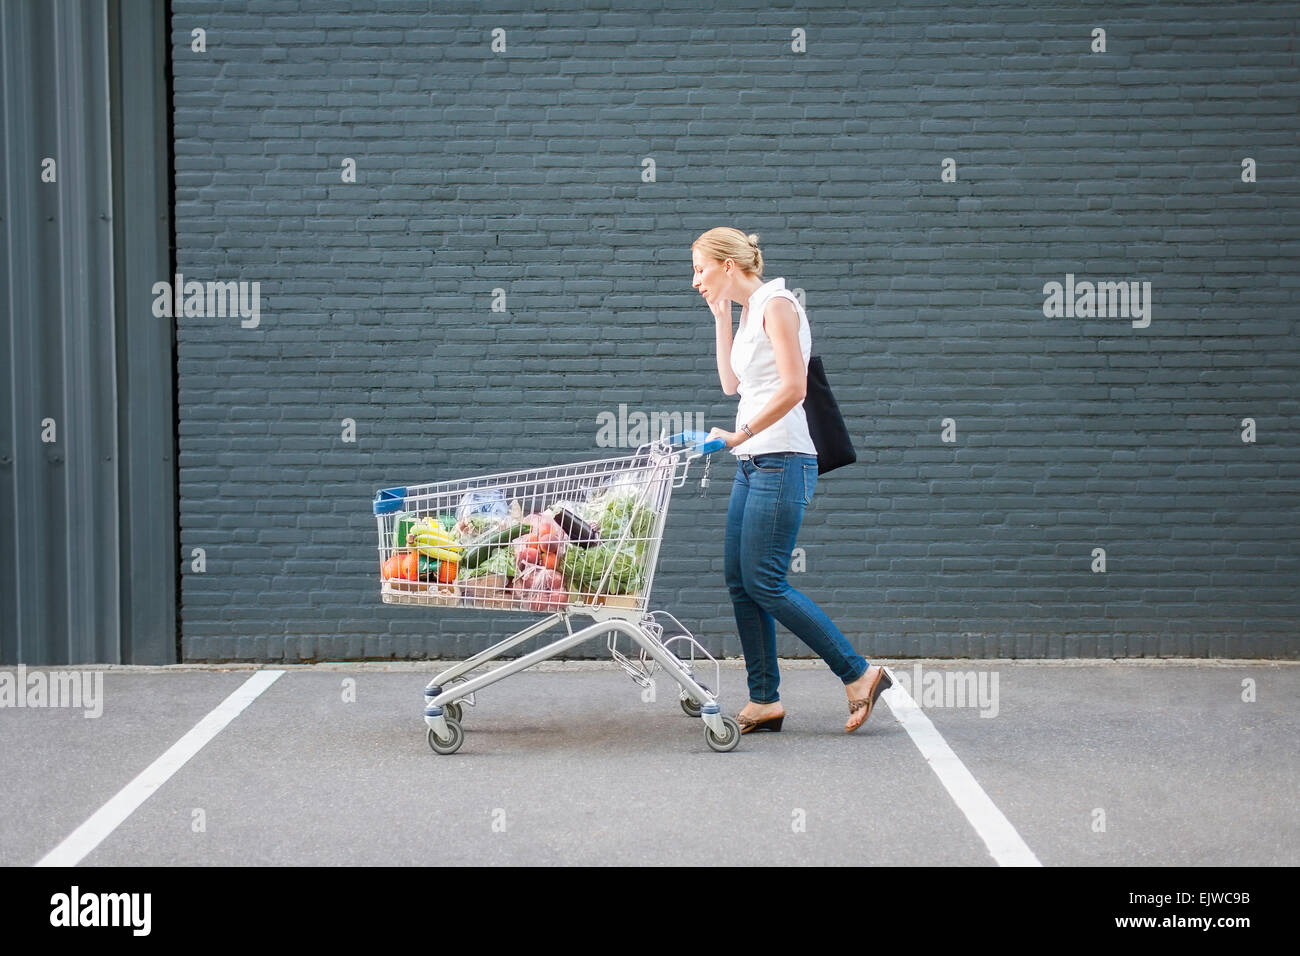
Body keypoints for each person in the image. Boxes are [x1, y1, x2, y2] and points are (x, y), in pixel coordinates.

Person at [692, 227, 891, 734]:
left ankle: (860, 673)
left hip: (782, 458)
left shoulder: (778, 303)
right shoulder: (748, 309)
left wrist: (740, 435)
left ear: (728, 264)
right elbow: (732, 384)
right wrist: (721, 319)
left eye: (700, 269)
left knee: (765, 581)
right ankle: (764, 700)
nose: (695, 281)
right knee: (741, 583)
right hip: (755, 460)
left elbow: (796, 387)